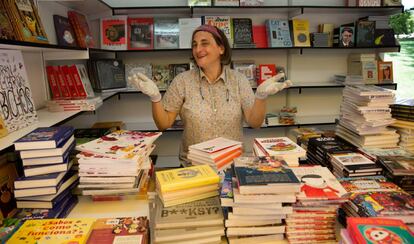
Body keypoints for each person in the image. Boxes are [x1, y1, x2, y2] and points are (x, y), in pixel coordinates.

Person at [128, 25, 292, 160]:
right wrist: (155, 98)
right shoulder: (182, 81)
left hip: (232, 165)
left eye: (204, 43)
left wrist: (260, 97)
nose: (198, 49)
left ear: (221, 48)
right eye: (194, 44)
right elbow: (163, 124)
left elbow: (255, 123)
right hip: (193, 167)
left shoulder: (239, 80)